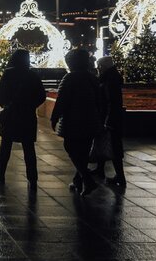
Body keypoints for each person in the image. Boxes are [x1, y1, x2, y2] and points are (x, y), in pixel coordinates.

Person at [0, 49, 46, 189]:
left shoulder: (9, 74)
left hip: (11, 115)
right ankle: (32, 178)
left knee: (5, 146)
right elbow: (41, 95)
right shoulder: (32, 75)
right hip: (27, 116)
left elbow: (0, 92)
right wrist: (30, 106)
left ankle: (0, 172)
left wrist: (6, 105)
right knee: (29, 148)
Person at [50, 49, 103, 196]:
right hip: (91, 120)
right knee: (84, 151)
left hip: (73, 120)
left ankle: (87, 179)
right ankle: (78, 180)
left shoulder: (70, 78)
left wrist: (54, 117)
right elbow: (100, 100)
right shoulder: (92, 78)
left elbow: (61, 100)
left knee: (71, 148)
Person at [95, 56, 126, 187]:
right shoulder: (109, 77)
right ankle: (100, 169)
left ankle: (120, 177)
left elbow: (112, 101)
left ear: (105, 66)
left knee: (113, 147)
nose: (98, 69)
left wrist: (108, 120)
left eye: (100, 66)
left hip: (110, 119)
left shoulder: (110, 80)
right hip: (108, 117)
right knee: (104, 143)